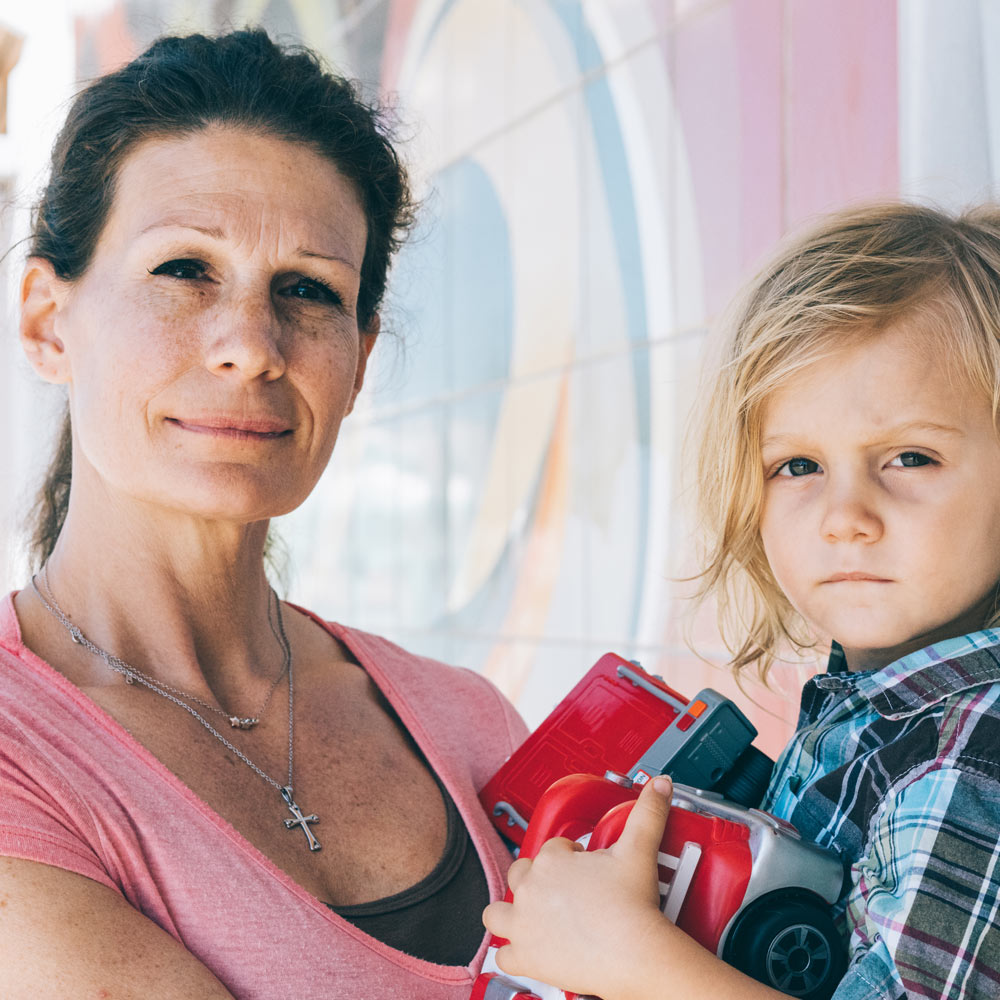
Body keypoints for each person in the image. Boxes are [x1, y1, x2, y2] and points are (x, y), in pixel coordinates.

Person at [0, 29, 527, 1000]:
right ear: (45, 318)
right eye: (184, 269)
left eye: (307, 290)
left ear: (360, 359)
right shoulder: (16, 748)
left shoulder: (473, 722)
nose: (251, 345)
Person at [483, 203, 1000, 999]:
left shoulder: (971, 757)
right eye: (797, 466)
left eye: (909, 456)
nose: (845, 519)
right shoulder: (876, 709)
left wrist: (634, 961)